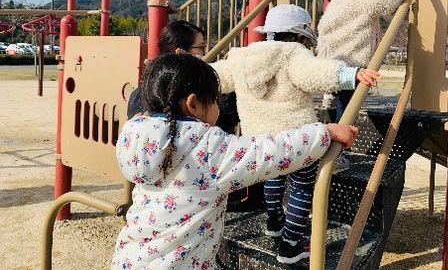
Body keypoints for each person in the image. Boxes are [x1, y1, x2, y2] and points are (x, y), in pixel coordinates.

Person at [110, 53, 359, 269]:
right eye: (216, 99)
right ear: (193, 103)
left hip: (130, 259)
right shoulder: (206, 149)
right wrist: (325, 133)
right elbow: (269, 153)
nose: (219, 104)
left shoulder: (137, 137)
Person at [210, 4, 379, 264]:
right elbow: (317, 74)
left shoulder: (242, 57)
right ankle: (291, 245)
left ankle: (274, 221)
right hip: (299, 141)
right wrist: (351, 74)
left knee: (273, 177)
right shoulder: (293, 54)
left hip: (261, 142)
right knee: (301, 188)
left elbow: (217, 76)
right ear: (300, 37)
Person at [317, 0, 415, 121]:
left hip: (331, 66)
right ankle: (342, 140)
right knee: (348, 111)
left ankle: (334, 124)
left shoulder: (334, 4)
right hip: (352, 68)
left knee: (342, 103)